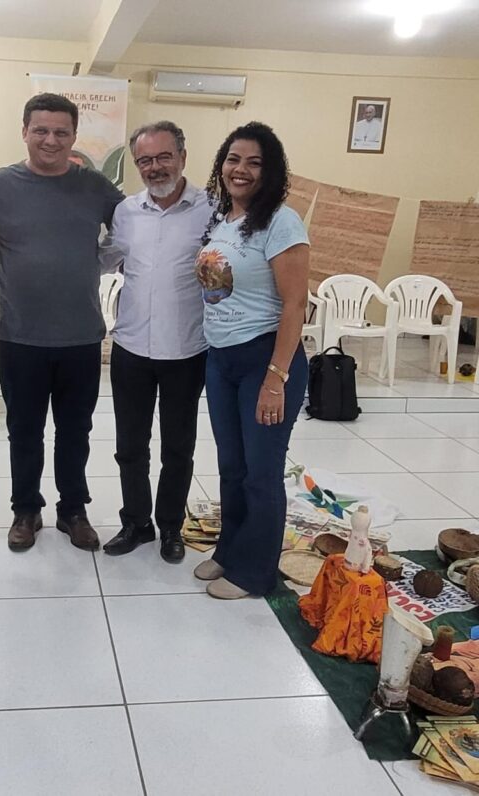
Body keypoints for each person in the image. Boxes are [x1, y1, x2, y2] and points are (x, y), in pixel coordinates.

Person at [0, 93, 124, 552]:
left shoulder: (95, 186)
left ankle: (73, 509)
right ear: (25, 131)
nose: (50, 140)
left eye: (61, 132)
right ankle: (26, 510)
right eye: (41, 130)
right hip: (20, 337)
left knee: (76, 431)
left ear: (74, 136)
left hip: (80, 337)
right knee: (25, 430)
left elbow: (140, 224)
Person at [193, 121, 310, 599]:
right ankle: (230, 550)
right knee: (231, 465)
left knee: (262, 470)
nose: (240, 170)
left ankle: (256, 572)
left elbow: (295, 304)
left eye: (254, 162)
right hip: (221, 360)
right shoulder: (223, 222)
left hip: (266, 358)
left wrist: (275, 378)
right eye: (233, 159)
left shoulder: (282, 221)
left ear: (271, 172)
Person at [99, 121, 212, 563]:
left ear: (183, 156)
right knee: (130, 446)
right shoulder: (126, 211)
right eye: (145, 160)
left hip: (187, 350)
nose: (154, 167)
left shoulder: (212, 210)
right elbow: (105, 256)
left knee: (178, 448)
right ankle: (136, 523)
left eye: (163, 157)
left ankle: (170, 527)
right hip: (130, 349)